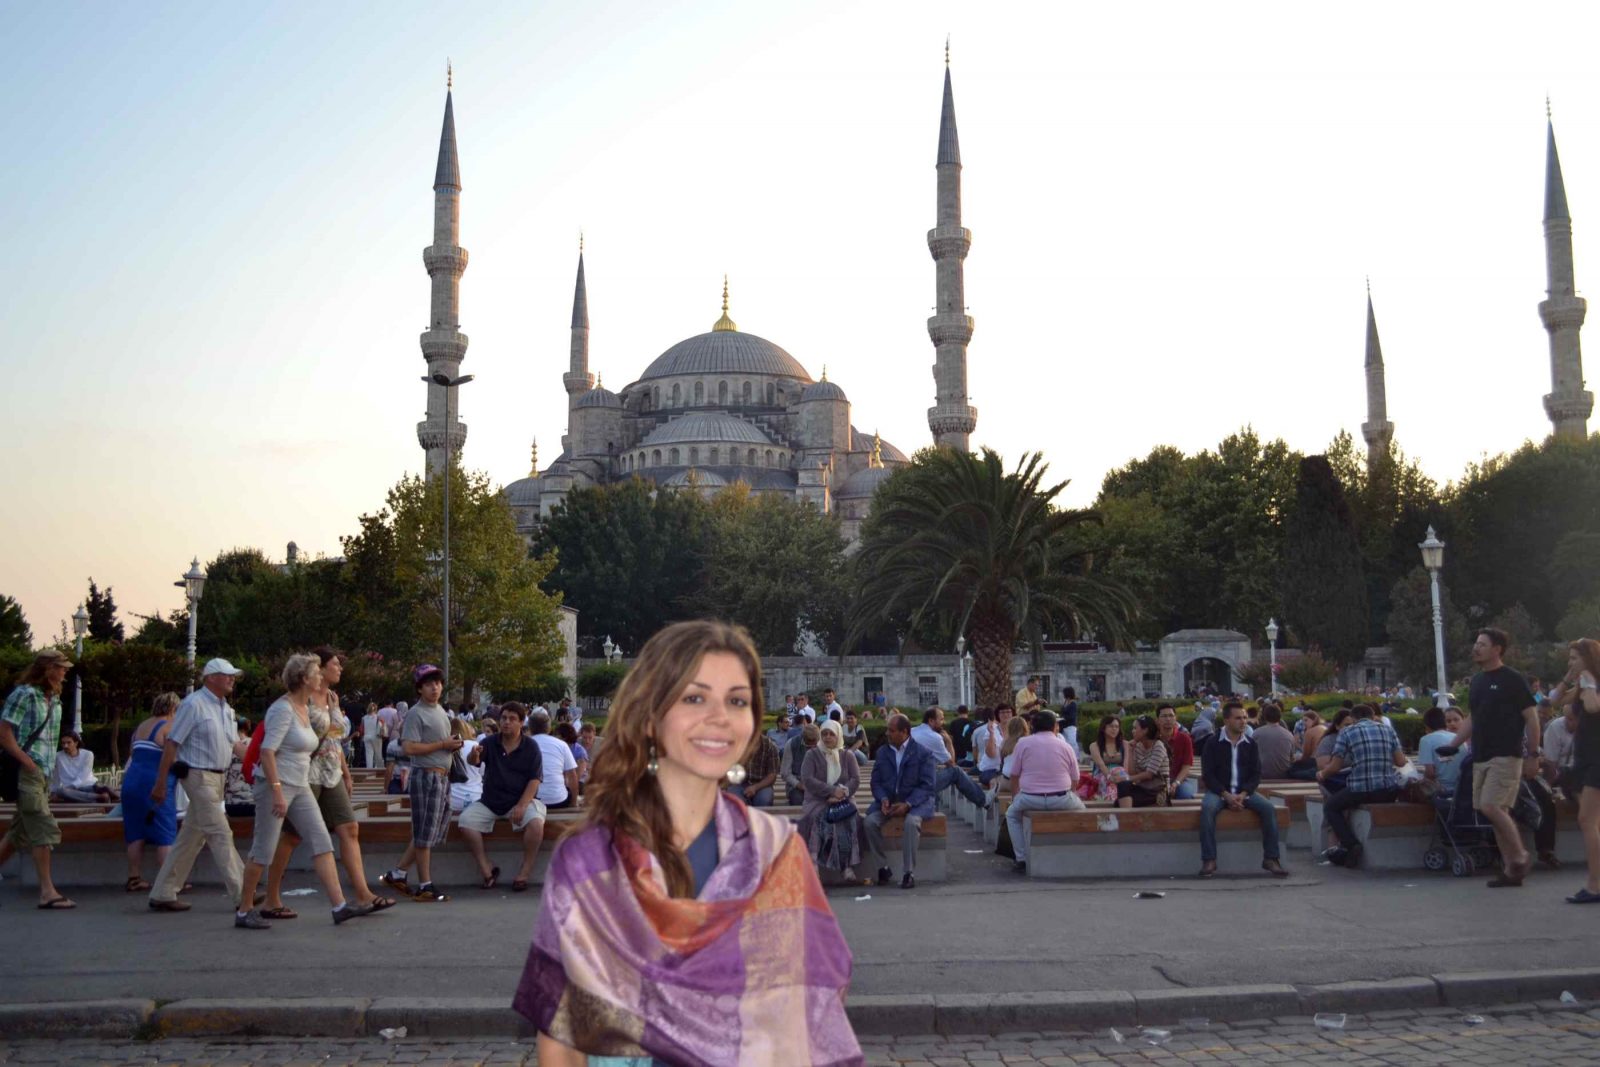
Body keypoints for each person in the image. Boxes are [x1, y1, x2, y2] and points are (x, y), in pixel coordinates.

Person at [513, 619, 859, 1067]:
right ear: (652, 717)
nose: (719, 718)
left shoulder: (774, 850)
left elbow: (813, 999)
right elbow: (561, 1039)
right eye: (695, 697)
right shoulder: (590, 860)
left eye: (737, 700)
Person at [234, 654, 373, 928]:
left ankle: (339, 905)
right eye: (315, 673)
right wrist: (276, 792)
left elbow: (328, 738)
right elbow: (267, 751)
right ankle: (244, 909)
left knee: (322, 840)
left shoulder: (305, 707)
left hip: (300, 784)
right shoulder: (282, 709)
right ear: (303, 678)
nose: (320, 676)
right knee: (264, 847)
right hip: (277, 785)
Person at [147, 659, 249, 913]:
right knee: (220, 832)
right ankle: (244, 893)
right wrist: (161, 783)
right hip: (198, 777)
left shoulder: (227, 710)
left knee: (192, 837)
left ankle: (163, 892)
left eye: (232, 675)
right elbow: (172, 743)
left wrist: (260, 766)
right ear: (210, 678)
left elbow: (235, 745)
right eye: (227, 675)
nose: (231, 679)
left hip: (218, 778)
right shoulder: (193, 705)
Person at [1443, 628, 1542, 886]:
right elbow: (1474, 718)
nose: (1476, 648)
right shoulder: (1477, 681)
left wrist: (1533, 754)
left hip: (1506, 754)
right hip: (1480, 756)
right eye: (1476, 643)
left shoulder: (1512, 679)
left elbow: (1531, 718)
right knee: (1496, 813)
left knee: (1491, 807)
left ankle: (1520, 854)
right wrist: (1453, 744)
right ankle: (1512, 871)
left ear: (1497, 649)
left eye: (1482, 644)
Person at [304, 646, 389, 916]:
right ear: (319, 667)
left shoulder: (332, 697)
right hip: (307, 771)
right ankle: (271, 897)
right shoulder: (304, 698)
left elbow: (336, 741)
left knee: (350, 827)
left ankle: (363, 893)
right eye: (335, 664)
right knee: (292, 836)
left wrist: (347, 773)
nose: (340, 669)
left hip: (332, 770)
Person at [0, 649, 75, 909]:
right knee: (43, 826)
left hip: (41, 773)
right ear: (47, 669)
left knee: (18, 834)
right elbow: (4, 732)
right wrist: (26, 760)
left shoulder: (53, 699)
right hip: (28, 772)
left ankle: (47, 891)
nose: (65, 672)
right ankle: (47, 892)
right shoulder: (24, 695)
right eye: (61, 667)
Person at [380, 664, 461, 902]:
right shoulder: (417, 713)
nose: (434, 687)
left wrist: (452, 745)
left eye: (437, 683)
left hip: (442, 777)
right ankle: (425, 884)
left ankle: (398, 873)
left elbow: (441, 743)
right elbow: (409, 747)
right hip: (425, 775)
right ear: (419, 688)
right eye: (428, 684)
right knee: (425, 832)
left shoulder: (441, 712)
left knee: (431, 830)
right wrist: (442, 745)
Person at [1197, 701, 1288, 878]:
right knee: (1207, 809)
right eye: (1238, 718)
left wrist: (1243, 794)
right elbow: (1208, 775)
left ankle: (1271, 858)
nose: (1243, 721)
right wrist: (1226, 795)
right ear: (1227, 720)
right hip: (1219, 792)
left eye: (1245, 717)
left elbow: (1256, 774)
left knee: (1269, 809)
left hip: (1244, 792)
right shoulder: (1213, 743)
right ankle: (1209, 859)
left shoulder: (1250, 743)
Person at [461, 704, 545, 892]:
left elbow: (535, 779)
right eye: (504, 718)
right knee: (466, 821)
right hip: (491, 801)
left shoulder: (531, 746)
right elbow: (474, 761)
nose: (506, 722)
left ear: (521, 723)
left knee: (536, 824)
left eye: (512, 719)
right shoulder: (490, 742)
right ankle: (487, 870)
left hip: (521, 799)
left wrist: (523, 805)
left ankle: (525, 871)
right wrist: (473, 757)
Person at [1316, 703, 1406, 869]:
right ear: (1373, 716)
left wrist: (1322, 774)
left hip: (1360, 790)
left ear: (1354, 718)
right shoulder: (1387, 730)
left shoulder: (1347, 732)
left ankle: (1350, 844)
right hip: (1388, 790)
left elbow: (1335, 766)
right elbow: (1400, 761)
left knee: (1331, 807)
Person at [862, 712, 937, 890]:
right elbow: (876, 781)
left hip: (916, 802)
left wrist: (908, 804)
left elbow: (927, 786)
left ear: (904, 732)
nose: (887, 733)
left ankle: (908, 872)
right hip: (890, 801)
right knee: (869, 822)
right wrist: (883, 799)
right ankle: (883, 868)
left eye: (891, 730)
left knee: (911, 823)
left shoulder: (923, 753)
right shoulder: (882, 752)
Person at [1005, 709, 1086, 873]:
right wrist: (1069, 793)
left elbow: (1014, 775)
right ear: (1055, 726)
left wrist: (1016, 798)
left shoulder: (1023, 743)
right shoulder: (1065, 745)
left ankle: (1021, 858)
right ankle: (1079, 853)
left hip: (1029, 798)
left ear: (1033, 725)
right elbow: (1075, 779)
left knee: (1011, 815)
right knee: (1083, 812)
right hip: (1062, 799)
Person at [1551, 638, 1600, 904]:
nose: (1570, 662)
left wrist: (1589, 680)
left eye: (1574, 658)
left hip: (1598, 759)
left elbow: (1593, 707)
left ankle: (1595, 885)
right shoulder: (1582, 684)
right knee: (1592, 822)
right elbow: (1553, 700)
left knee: (1587, 821)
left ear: (1588, 657)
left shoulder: (1593, 683)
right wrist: (1569, 676)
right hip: (1586, 758)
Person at [120, 692, 181, 893]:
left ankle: (133, 877)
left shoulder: (141, 727)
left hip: (132, 780)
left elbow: (133, 754)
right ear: (174, 708)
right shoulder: (169, 726)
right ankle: (167, 883)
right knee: (165, 831)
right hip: (155, 781)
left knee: (135, 831)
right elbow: (172, 756)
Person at [800, 718, 863, 883]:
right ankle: (813, 866)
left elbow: (855, 779)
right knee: (818, 819)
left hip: (844, 801)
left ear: (838, 736)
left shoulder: (847, 755)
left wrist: (842, 793)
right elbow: (808, 779)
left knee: (847, 819)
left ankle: (846, 866)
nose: (828, 737)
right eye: (824, 734)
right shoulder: (812, 754)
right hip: (817, 800)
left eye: (831, 734)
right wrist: (831, 792)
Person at [912, 706, 990, 810]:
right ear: (931, 721)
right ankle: (983, 801)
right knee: (956, 771)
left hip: (910, 781)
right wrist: (949, 742)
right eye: (941, 719)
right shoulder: (934, 737)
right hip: (921, 783)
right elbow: (951, 764)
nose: (943, 722)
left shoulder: (912, 731)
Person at [528, 711, 579, 811]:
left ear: (530, 728)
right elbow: (572, 776)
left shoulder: (523, 744)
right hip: (558, 801)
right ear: (549, 728)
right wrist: (573, 803)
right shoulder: (561, 745)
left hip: (531, 800)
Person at [47, 733, 116, 803]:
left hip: (89, 785)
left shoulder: (88, 754)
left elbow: (83, 776)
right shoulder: (58, 756)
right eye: (63, 743)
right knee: (61, 791)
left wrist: (70, 788)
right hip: (71, 790)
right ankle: (99, 797)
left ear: (76, 743)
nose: (65, 746)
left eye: (68, 743)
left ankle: (99, 792)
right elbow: (55, 776)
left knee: (68, 793)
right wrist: (53, 792)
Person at [1118, 714, 1169, 808]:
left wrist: (1126, 778)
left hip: (1157, 790)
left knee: (1122, 800)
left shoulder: (1158, 746)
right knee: (1122, 790)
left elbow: (1149, 775)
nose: (1132, 731)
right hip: (1143, 788)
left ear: (1145, 730)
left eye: (1135, 728)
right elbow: (1132, 772)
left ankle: (1126, 820)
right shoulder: (1138, 746)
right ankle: (1127, 818)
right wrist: (1130, 750)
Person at [1416, 706, 1464, 798]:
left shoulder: (1426, 740)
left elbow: (1430, 773)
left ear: (1427, 726)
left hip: (1441, 790)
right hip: (1461, 788)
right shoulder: (1458, 738)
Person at [726, 728, 780, 807]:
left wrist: (755, 787)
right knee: (735, 802)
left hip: (761, 784)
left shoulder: (770, 746)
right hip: (739, 784)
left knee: (764, 801)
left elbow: (772, 775)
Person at [1156, 704, 1197, 799]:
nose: (1168, 719)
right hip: (1157, 781)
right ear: (1157, 720)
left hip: (1179, 780)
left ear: (1175, 718)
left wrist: (1175, 783)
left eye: (1171, 715)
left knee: (1186, 794)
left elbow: (1186, 766)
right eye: (1164, 716)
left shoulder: (1185, 738)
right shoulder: (1153, 738)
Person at [1088, 716, 1130, 802]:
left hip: (1120, 774)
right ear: (1103, 728)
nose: (1114, 729)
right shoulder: (1094, 746)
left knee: (1120, 773)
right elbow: (1101, 765)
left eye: (1117, 727)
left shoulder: (1125, 744)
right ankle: (1111, 803)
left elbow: (1126, 765)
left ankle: (1113, 802)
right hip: (1102, 774)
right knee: (1108, 782)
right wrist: (1110, 777)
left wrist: (1120, 777)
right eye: (1111, 726)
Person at [1252, 704, 1296, 780]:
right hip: (1283, 774)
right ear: (1280, 716)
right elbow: (1292, 758)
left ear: (1264, 717)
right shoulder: (1289, 735)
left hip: (1261, 774)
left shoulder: (1256, 733)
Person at [780, 721, 817, 805]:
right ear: (803, 737)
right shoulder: (791, 744)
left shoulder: (823, 744)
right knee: (798, 800)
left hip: (818, 784)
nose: (811, 747)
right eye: (808, 744)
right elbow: (785, 773)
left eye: (814, 744)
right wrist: (799, 785)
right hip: (797, 784)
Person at [970, 706, 1007, 786]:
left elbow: (974, 752)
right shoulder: (992, 730)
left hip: (984, 766)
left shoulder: (977, 731)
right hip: (994, 767)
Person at [362, 703, 383, 771]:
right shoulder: (378, 717)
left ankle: (369, 770)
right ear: (376, 709)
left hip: (366, 736)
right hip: (376, 737)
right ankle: (378, 769)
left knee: (369, 755)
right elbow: (382, 726)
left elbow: (362, 728)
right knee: (377, 754)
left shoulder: (364, 718)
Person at [1059, 686, 1080, 751]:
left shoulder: (1073, 704)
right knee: (1064, 743)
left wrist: (1063, 718)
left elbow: (1072, 716)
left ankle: (1076, 757)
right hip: (1063, 726)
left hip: (1070, 726)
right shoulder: (1066, 703)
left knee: (1072, 743)